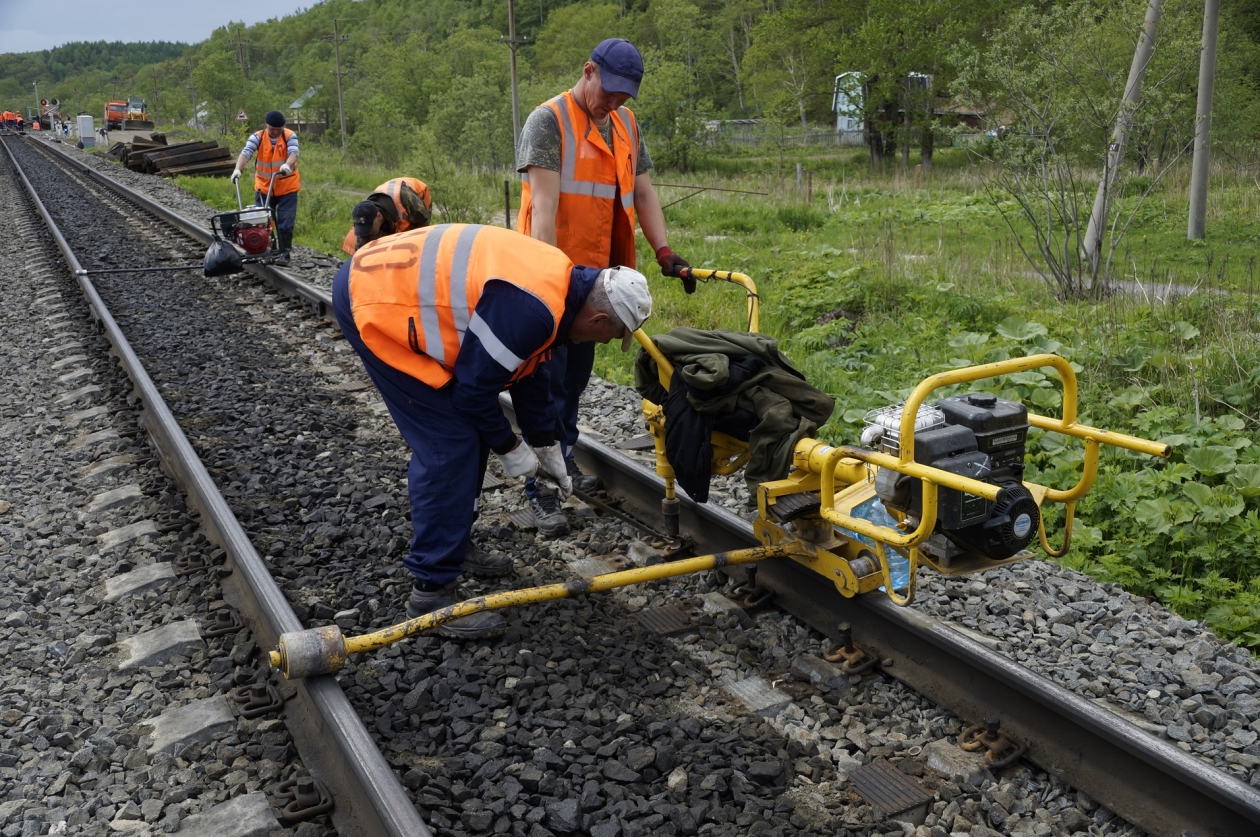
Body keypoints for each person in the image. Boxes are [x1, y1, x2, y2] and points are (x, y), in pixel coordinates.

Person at [333, 223, 652, 639]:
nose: (608, 343)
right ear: (599, 317)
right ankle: (430, 593)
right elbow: (472, 394)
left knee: (467, 430)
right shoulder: (532, 308)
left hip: (387, 277)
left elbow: (528, 371)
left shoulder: (560, 287)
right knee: (451, 442)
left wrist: (545, 445)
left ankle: (454, 543)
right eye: (612, 336)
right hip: (374, 299)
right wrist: (510, 447)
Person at [514, 37, 690, 536]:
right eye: (609, 92)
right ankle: (541, 491)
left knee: (573, 382)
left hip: (598, 283)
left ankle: (563, 463)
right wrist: (554, 285)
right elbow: (544, 209)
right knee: (544, 385)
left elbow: (644, 191)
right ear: (588, 71)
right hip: (549, 280)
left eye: (624, 97)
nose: (614, 103)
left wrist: (663, 251)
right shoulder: (547, 121)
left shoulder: (625, 126)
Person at [231, 110, 300, 266]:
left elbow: (294, 152)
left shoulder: (289, 135)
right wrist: (238, 169)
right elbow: (246, 152)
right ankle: (268, 251)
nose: (275, 132)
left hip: (287, 188)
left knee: (285, 222)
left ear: (283, 127)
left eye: (278, 129)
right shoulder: (258, 137)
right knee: (263, 222)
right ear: (266, 125)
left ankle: (284, 254)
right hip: (263, 188)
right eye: (272, 129)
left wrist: (287, 165)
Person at [340, 177, 433, 255]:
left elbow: (422, 228)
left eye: (369, 227)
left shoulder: (406, 200)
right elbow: (360, 249)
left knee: (411, 244)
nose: (367, 232)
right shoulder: (364, 213)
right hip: (389, 216)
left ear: (379, 216)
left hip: (418, 201)